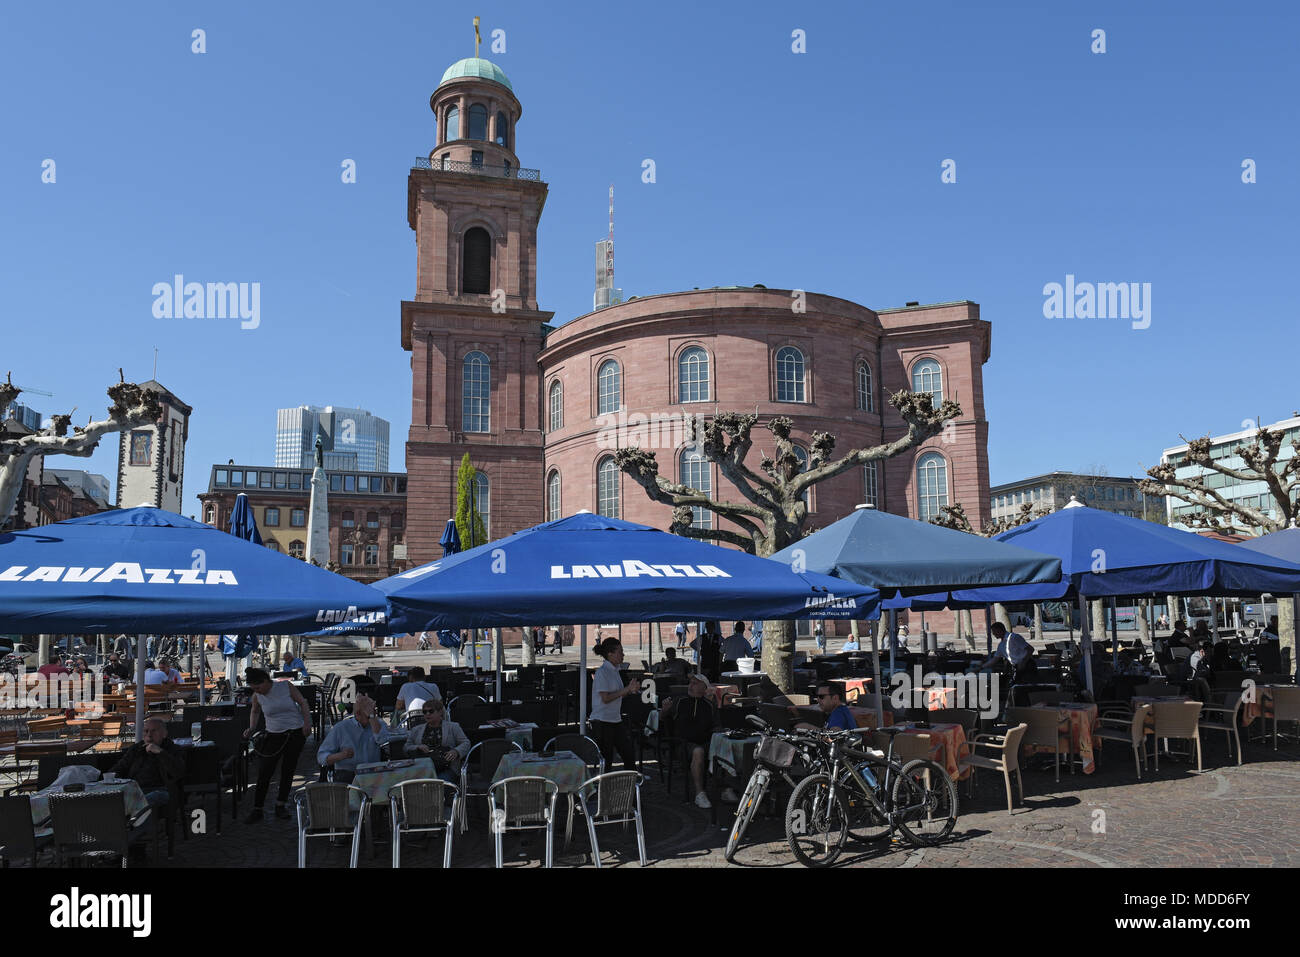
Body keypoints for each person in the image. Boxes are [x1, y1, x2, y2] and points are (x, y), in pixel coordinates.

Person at [242, 667, 314, 822]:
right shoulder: (257, 696)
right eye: (254, 689)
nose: (257, 691)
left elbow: (303, 702)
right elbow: (254, 711)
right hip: (273, 734)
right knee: (265, 771)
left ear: (266, 681)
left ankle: (281, 804)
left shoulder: (285, 686)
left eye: (258, 687)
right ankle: (257, 808)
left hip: (294, 733)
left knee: (288, 770)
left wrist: (307, 723)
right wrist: (252, 727)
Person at [658, 673, 716, 809]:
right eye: (690, 683)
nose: (690, 685)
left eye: (695, 683)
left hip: (706, 743)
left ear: (704, 687)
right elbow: (661, 722)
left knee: (723, 748)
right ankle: (699, 793)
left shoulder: (710, 705)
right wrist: (664, 711)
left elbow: (716, 726)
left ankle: (726, 788)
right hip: (682, 745)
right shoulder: (679, 701)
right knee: (698, 751)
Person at [316, 691, 392, 784]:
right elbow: (321, 757)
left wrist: (371, 716)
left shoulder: (377, 723)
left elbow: (383, 740)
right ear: (358, 714)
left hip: (372, 772)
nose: (373, 715)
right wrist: (341, 755)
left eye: (374, 711)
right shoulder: (341, 728)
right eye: (369, 713)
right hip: (347, 774)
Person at [110, 716, 185, 809]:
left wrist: (160, 752)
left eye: (154, 731)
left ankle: (131, 813)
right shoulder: (136, 749)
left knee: (150, 798)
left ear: (164, 734)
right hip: (135, 791)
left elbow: (178, 771)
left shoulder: (173, 749)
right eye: (146, 731)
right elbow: (119, 768)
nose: (149, 735)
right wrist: (109, 777)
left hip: (161, 790)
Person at [589, 637, 640, 772]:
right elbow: (605, 698)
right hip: (602, 720)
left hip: (615, 719)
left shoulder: (615, 671)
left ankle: (631, 785)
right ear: (610, 654)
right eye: (620, 652)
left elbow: (619, 694)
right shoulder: (602, 672)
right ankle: (604, 789)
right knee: (607, 759)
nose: (623, 655)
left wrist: (630, 690)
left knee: (628, 753)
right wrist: (627, 689)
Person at [404, 699, 470, 785]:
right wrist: (417, 747)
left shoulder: (453, 727)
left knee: (436, 784)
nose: (427, 714)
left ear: (440, 712)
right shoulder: (416, 729)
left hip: (447, 767)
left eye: (431, 711)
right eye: (425, 712)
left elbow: (466, 743)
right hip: (422, 768)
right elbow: (406, 747)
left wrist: (456, 751)